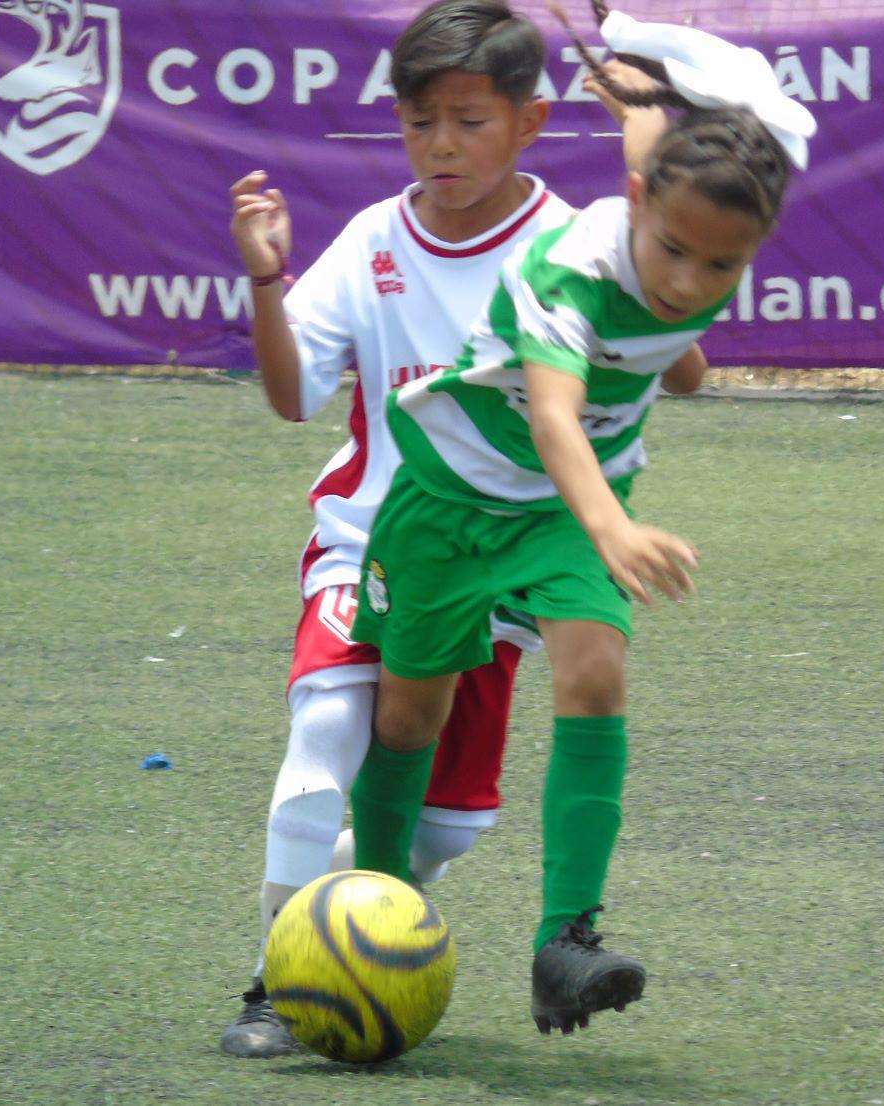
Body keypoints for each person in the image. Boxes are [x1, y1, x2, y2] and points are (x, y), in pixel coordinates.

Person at [345, 2, 814, 1035]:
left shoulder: (695, 198)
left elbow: (654, 137)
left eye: (720, 268)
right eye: (676, 252)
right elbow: (554, 417)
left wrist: (632, 70)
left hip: (567, 514)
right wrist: (612, 528)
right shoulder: (567, 270)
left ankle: (567, 942)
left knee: (596, 667)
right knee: (409, 717)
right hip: (457, 500)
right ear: (636, 207)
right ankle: (368, 913)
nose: (690, 279)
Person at [218, 0, 633, 1059]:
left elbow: (665, 362)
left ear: (531, 123)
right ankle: (276, 977)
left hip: (502, 557)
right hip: (371, 539)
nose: (440, 145)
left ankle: (359, 925)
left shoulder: (572, 243)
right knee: (324, 738)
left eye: (468, 120)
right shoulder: (371, 241)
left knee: (450, 822)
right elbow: (288, 395)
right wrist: (267, 276)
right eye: (417, 123)